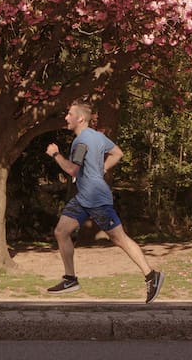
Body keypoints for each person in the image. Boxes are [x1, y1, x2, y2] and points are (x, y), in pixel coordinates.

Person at [45, 101, 164, 303]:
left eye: (69, 114)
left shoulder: (81, 141)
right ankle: (70, 278)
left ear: (80, 118)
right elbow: (118, 152)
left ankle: (152, 275)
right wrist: (101, 169)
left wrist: (55, 154)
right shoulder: (98, 137)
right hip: (84, 196)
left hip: (96, 198)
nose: (66, 117)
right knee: (61, 231)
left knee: (119, 239)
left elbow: (72, 170)